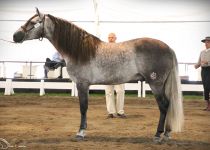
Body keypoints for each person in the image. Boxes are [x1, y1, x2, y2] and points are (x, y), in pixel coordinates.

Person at [105, 33, 126, 118]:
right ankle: (111, 112)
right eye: (109, 37)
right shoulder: (104, 49)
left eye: (112, 37)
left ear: (115, 38)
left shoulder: (120, 48)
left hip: (119, 73)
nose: (110, 39)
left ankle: (120, 112)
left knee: (120, 91)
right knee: (109, 92)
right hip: (107, 73)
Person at [194, 36, 210, 111]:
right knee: (205, 88)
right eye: (205, 42)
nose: (206, 44)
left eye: (208, 42)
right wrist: (196, 65)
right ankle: (208, 105)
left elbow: (206, 62)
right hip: (203, 71)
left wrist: (207, 62)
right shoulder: (202, 52)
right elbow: (199, 62)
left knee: (208, 86)